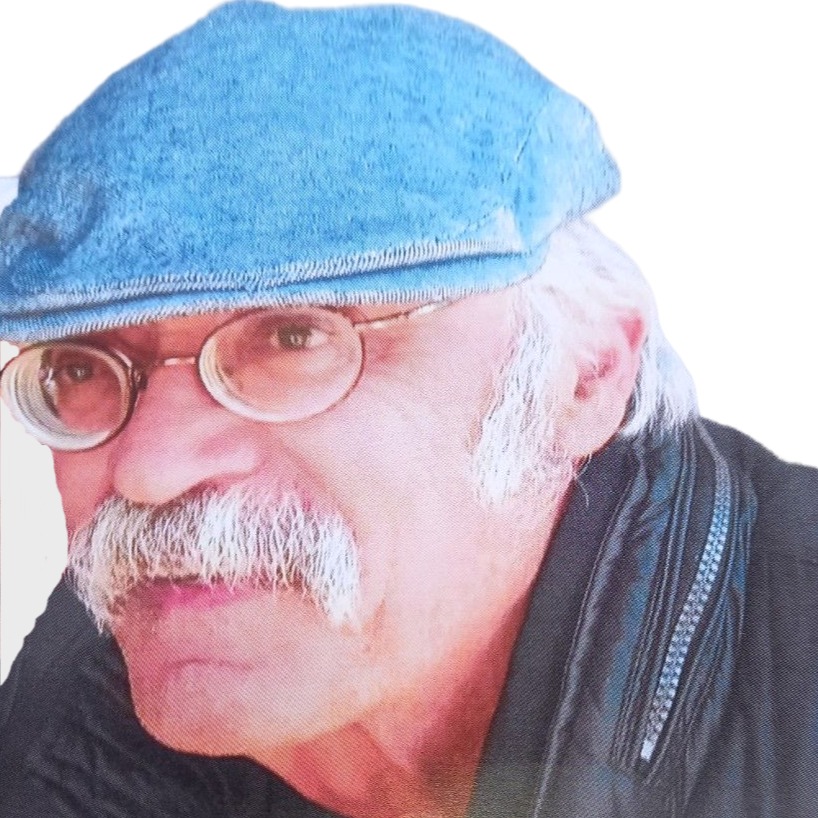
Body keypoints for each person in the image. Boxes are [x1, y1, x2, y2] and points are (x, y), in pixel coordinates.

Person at [0, 3, 816, 817]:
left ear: (586, 375)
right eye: (78, 366)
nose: (147, 470)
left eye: (292, 337)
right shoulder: (51, 729)